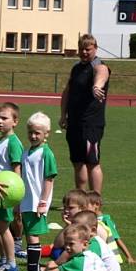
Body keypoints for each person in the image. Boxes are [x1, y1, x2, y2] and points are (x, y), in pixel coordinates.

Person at [59, 34, 110, 193]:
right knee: (77, 162)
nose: (84, 52)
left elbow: (102, 74)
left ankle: (95, 201)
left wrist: (97, 87)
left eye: (88, 49)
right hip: (74, 123)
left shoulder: (99, 66)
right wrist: (63, 115)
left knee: (92, 162)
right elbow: (67, 92)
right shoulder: (76, 68)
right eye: (81, 49)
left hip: (91, 125)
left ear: (95, 48)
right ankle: (80, 198)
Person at [17, 112, 57, 271]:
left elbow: (49, 178)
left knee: (33, 236)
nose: (33, 136)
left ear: (46, 133)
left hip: (36, 203)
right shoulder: (26, 152)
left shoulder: (46, 153)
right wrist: (19, 201)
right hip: (26, 201)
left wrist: (43, 202)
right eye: (31, 132)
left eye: (37, 133)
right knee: (29, 236)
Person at [0, 102, 24, 271]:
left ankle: (11, 263)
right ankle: (3, 259)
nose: (0, 121)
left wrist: (16, 198)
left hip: (7, 193)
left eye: (5, 118)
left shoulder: (13, 143)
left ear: (15, 121)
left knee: (3, 227)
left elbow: (17, 169)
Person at [86, 190, 136, 264]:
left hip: (109, 258)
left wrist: (129, 257)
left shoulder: (105, 220)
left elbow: (116, 238)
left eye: (85, 206)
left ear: (96, 204)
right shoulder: (89, 219)